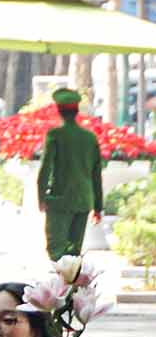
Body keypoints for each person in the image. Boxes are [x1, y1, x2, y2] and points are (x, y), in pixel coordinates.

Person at [38, 87, 103, 260]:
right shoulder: (90, 138)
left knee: (56, 249)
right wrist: (98, 207)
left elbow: (45, 169)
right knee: (74, 251)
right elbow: (96, 174)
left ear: (59, 111)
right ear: (77, 111)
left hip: (60, 200)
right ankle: (71, 278)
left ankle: (62, 277)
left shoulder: (55, 135)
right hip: (83, 200)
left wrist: (41, 198)